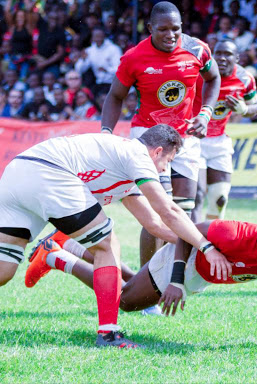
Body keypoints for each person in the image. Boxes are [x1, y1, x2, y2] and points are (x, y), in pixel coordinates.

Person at [0, 124, 232, 348]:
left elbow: (155, 225)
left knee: (0, 270)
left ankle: (66, 267)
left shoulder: (123, 164)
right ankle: (108, 333)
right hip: (47, 172)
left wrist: (191, 244)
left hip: (17, 173)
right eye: (167, 162)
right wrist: (207, 245)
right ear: (158, 151)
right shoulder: (137, 155)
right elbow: (169, 210)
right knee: (107, 244)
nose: (164, 171)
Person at [100, 2, 221, 314]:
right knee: (158, 214)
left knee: (186, 211)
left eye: (176, 29)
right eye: (164, 29)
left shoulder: (197, 49)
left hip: (187, 138)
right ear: (150, 29)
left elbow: (213, 79)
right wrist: (105, 132)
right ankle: (145, 286)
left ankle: (179, 279)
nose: (171, 35)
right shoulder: (134, 57)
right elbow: (115, 96)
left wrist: (206, 113)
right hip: (149, 137)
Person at [26, 218, 257, 318]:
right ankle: (55, 256)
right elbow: (186, 233)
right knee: (126, 301)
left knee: (137, 283)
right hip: (190, 259)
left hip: (204, 276)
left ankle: (65, 244)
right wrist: (178, 282)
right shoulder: (234, 233)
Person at [192, 40, 257, 223]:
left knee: (220, 199)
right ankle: (192, 243)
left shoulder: (245, 79)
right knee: (196, 195)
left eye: (228, 54)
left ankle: (212, 238)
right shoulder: (200, 74)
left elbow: (256, 106)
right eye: (218, 53)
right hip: (194, 138)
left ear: (237, 58)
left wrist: (244, 109)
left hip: (219, 141)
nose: (222, 58)